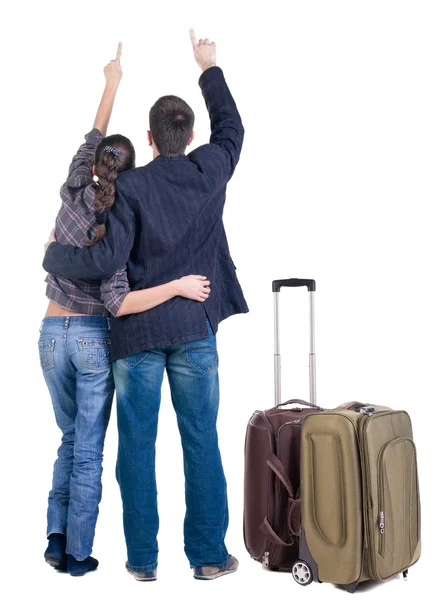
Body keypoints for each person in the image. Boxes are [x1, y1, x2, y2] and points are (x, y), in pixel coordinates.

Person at [43, 30, 248, 581]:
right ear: (190, 136)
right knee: (201, 439)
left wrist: (53, 256)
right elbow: (233, 129)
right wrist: (208, 67)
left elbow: (104, 255)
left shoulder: (129, 187)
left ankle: (142, 562)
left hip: (134, 336)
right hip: (194, 324)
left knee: (135, 446)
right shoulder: (211, 169)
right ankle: (207, 558)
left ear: (152, 140)